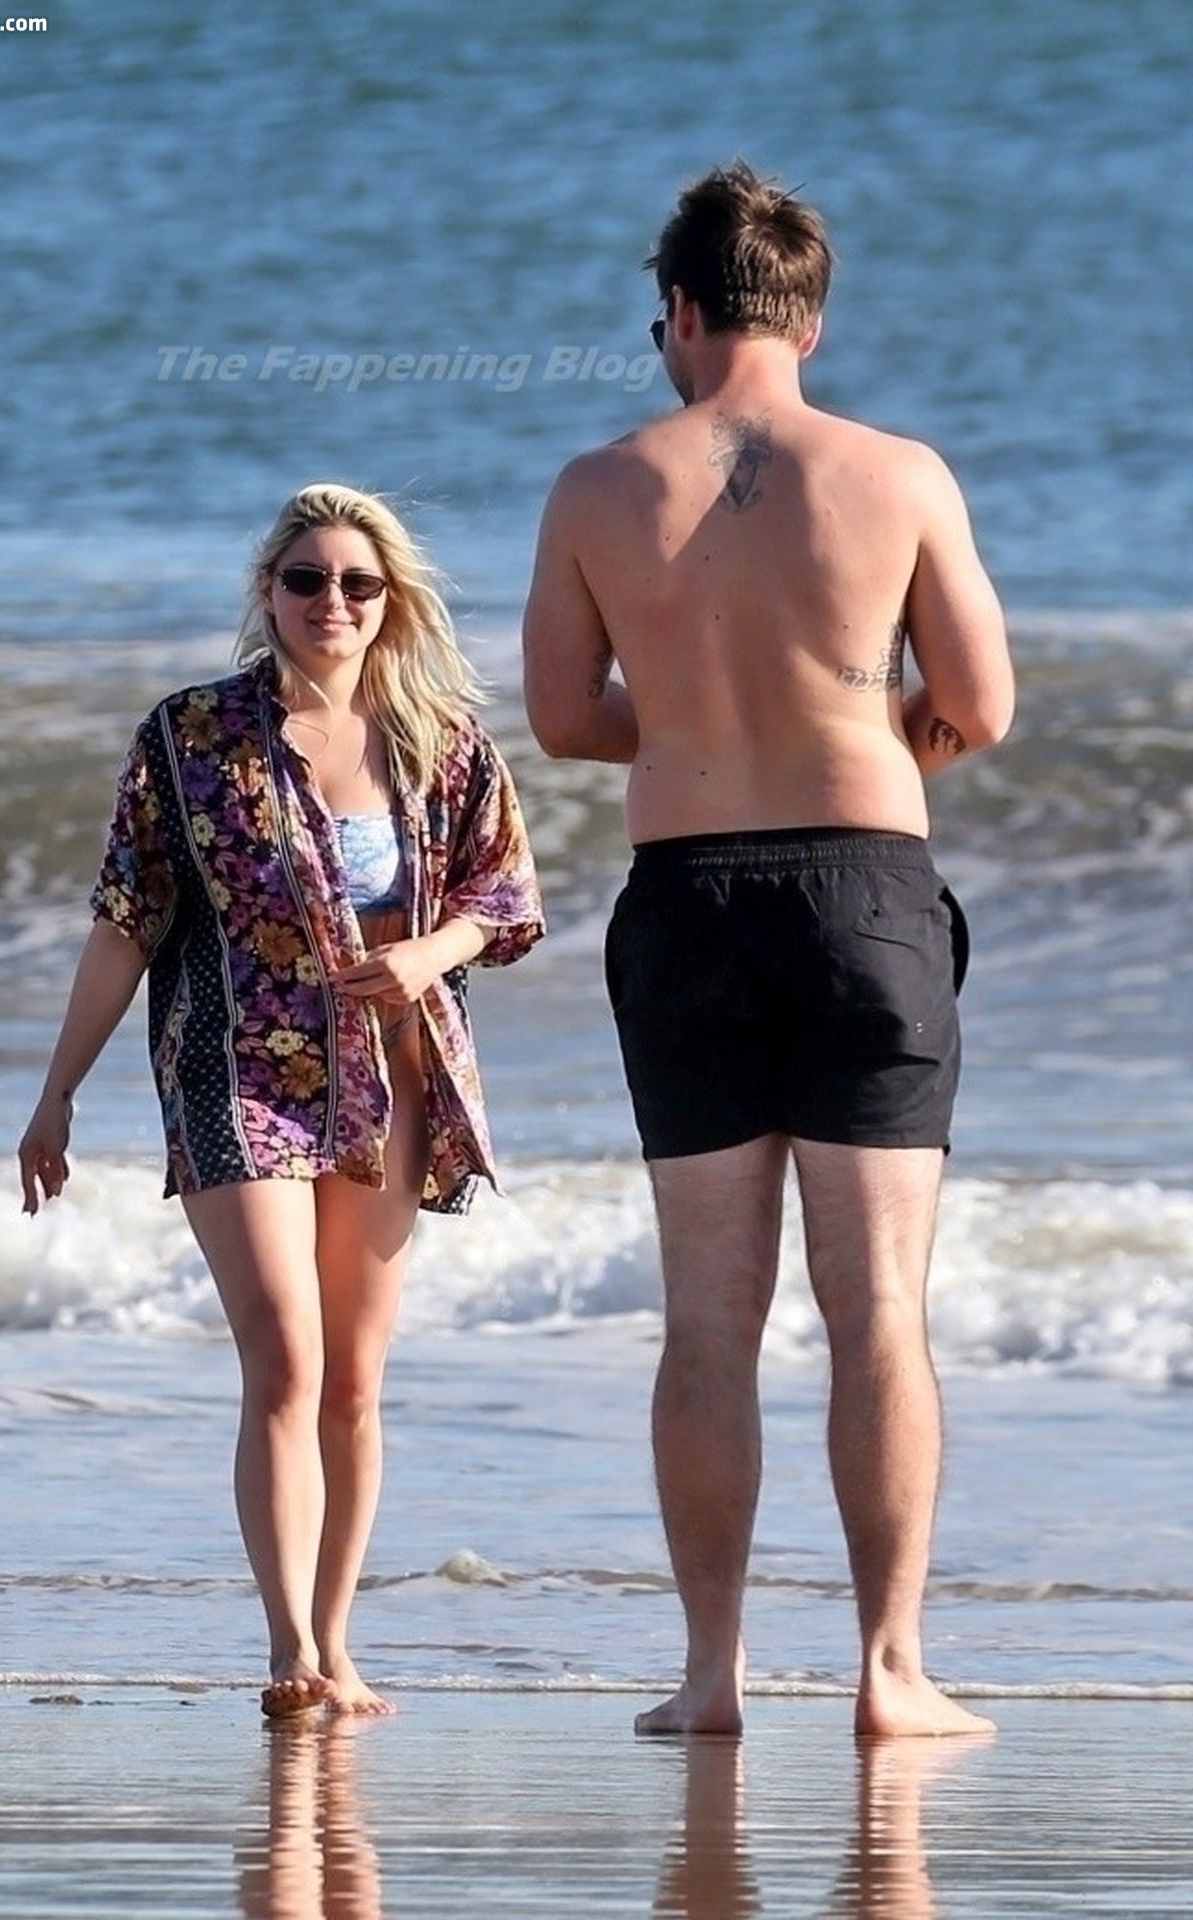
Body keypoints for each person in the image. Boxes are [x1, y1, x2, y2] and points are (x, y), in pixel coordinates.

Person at [522, 162, 1014, 1739]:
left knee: (708, 1322)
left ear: (679, 311)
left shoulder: (597, 487)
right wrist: (854, 741)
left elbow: (560, 717)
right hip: (868, 895)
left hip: (687, 902)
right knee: (878, 1315)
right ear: (811, 320)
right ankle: (888, 1673)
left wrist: (693, 729)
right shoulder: (901, 475)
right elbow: (982, 706)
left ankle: (711, 1675)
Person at [20, 483, 544, 1718]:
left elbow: (506, 896)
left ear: (390, 601)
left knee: (353, 1380)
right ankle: (286, 1647)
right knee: (285, 1354)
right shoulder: (191, 738)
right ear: (269, 593)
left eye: (358, 583)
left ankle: (338, 1641)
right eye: (306, 579)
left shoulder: (442, 741)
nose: (332, 602)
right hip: (233, 1065)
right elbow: (127, 920)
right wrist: (57, 1093)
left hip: (391, 1071)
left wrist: (428, 954)